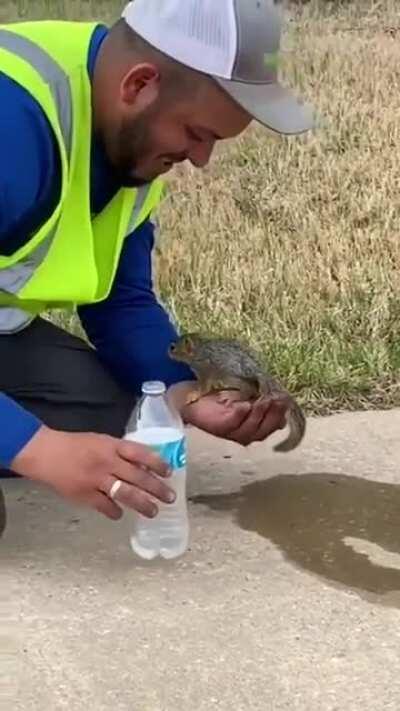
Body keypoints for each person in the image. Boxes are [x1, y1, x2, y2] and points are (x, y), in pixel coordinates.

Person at [0, 0, 313, 536]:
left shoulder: (128, 143)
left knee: (129, 421)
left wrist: (182, 395)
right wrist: (35, 447)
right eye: (198, 133)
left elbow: (123, 302)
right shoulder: (14, 127)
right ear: (139, 85)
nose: (201, 158)